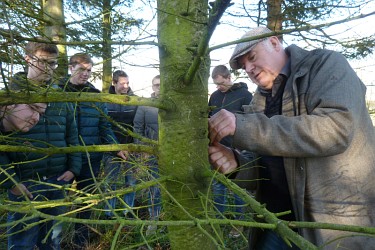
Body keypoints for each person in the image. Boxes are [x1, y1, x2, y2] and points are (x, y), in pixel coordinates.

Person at [208, 26, 375, 249]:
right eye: (243, 65)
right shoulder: (260, 100)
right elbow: (264, 166)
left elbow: (336, 128)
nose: (248, 68)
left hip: (330, 229)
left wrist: (244, 127)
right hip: (274, 223)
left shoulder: (325, 65)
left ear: (275, 43)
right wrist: (237, 164)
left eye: (252, 57)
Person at [1, 40, 82, 250]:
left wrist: (73, 168)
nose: (49, 68)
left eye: (53, 63)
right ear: (27, 59)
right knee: (21, 243)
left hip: (57, 181)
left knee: (52, 241)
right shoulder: (9, 95)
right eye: (44, 62)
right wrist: (11, 182)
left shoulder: (59, 96)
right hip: (25, 184)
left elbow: (72, 133)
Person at [60, 53, 126, 248]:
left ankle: (79, 241)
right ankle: (54, 239)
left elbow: (104, 126)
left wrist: (115, 148)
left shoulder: (95, 95)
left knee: (86, 200)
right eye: (82, 69)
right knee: (56, 199)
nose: (86, 74)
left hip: (91, 158)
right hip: (64, 158)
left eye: (89, 70)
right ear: (71, 68)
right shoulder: (58, 92)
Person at [209, 65, 252, 238]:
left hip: (236, 151)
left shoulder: (245, 95)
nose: (219, 87)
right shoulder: (214, 96)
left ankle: (238, 224)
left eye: (221, 83)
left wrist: (242, 147)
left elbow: (251, 122)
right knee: (218, 188)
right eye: (216, 84)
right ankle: (219, 223)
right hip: (217, 150)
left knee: (237, 190)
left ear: (228, 78)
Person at [103, 70, 138, 219]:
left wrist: (132, 146)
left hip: (130, 148)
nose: (125, 86)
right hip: (111, 149)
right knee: (110, 182)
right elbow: (104, 127)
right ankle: (108, 213)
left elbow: (137, 125)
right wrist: (116, 148)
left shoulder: (134, 100)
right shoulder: (105, 100)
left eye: (127, 83)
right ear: (114, 83)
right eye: (122, 83)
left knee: (131, 181)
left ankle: (127, 211)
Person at [133, 75, 162, 236]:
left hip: (172, 152)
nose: (158, 88)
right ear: (152, 87)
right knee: (154, 187)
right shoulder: (145, 105)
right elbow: (138, 127)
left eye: (161, 85)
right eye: (156, 85)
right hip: (152, 152)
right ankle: (154, 220)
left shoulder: (173, 104)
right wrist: (142, 149)